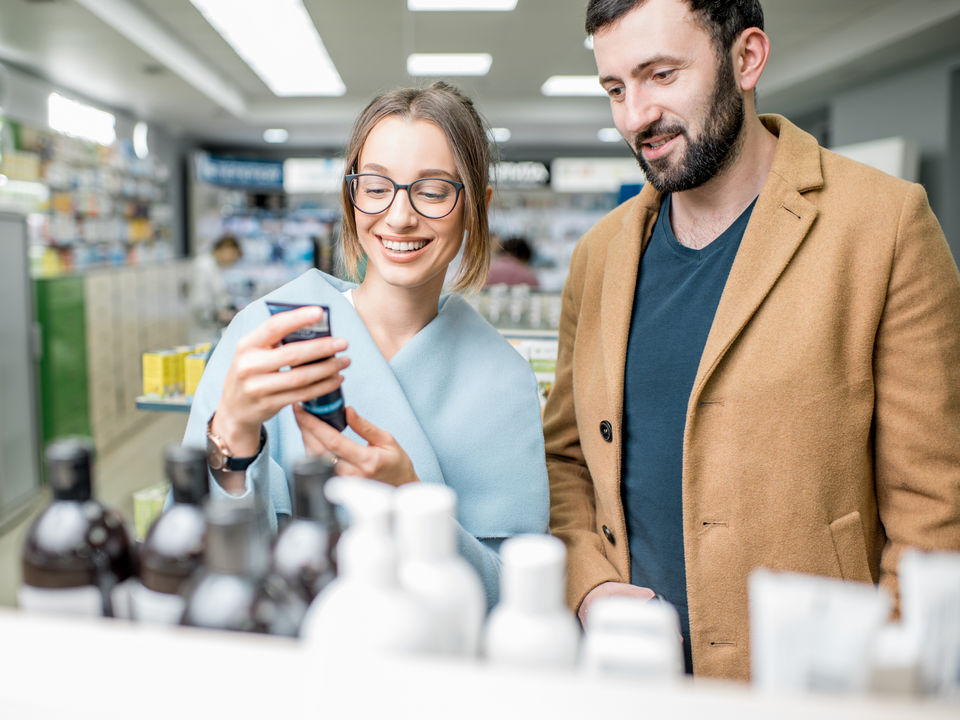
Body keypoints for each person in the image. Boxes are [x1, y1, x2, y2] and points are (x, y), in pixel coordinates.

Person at [543, 0, 960, 681]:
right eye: (616, 88)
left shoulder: (884, 226)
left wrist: (889, 679)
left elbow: (934, 510)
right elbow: (565, 459)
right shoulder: (599, 256)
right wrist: (586, 584)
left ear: (747, 58)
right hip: (633, 679)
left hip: (813, 681)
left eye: (660, 75)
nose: (634, 116)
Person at [183, 81, 549, 609]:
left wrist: (412, 502)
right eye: (376, 187)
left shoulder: (503, 378)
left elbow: (516, 599)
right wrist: (234, 436)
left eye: (433, 190)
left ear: (478, 206)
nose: (400, 216)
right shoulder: (266, 332)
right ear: (351, 197)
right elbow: (194, 555)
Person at [188, 233, 242, 343]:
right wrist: (219, 315)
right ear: (226, 248)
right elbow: (199, 304)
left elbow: (221, 297)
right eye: (234, 256)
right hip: (204, 334)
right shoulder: (203, 265)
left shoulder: (215, 266)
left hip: (213, 331)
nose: (233, 261)